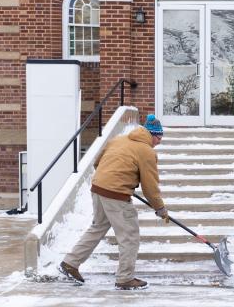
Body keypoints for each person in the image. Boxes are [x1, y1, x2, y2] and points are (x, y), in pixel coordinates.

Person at [59, 114, 168, 290]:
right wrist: (160, 208)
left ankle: (70, 263)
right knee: (130, 237)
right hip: (116, 195)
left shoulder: (119, 140)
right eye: (159, 137)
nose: (160, 141)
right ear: (152, 134)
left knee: (98, 227)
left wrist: (114, 178)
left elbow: (97, 162)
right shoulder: (147, 151)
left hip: (98, 187)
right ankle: (125, 279)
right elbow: (150, 187)